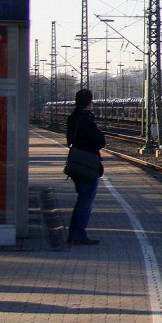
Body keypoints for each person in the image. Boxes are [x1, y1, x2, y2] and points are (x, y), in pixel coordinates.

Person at [65, 88, 105, 246]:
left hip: (75, 162)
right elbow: (99, 141)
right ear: (90, 102)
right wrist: (100, 136)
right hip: (87, 163)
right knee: (86, 202)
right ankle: (78, 234)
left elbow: (70, 140)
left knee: (81, 199)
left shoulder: (72, 117)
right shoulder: (87, 118)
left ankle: (74, 233)